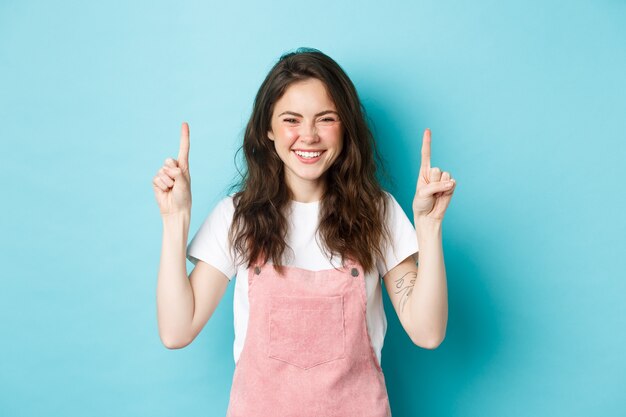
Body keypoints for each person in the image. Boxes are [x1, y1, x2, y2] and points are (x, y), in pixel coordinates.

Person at [153, 47, 457, 417]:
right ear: (268, 128)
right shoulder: (238, 217)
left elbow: (427, 332)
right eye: (291, 120)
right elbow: (176, 330)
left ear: (346, 126)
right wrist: (175, 219)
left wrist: (429, 227)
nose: (308, 135)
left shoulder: (378, 212)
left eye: (326, 118)